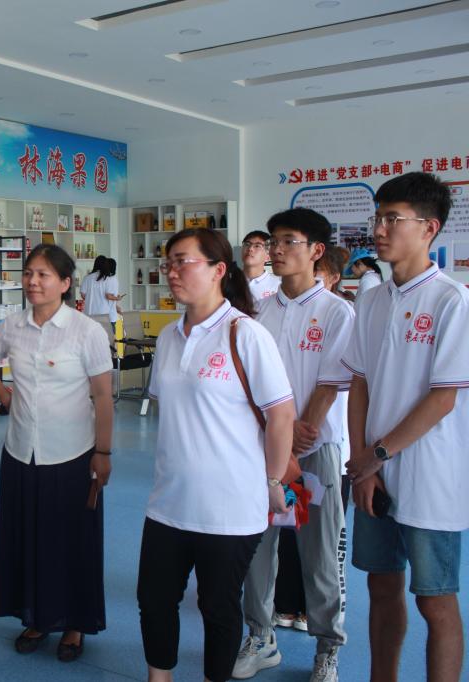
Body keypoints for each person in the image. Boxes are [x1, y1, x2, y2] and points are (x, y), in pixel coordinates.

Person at [137, 228, 294, 682]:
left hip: (229, 508)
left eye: (183, 261)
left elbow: (281, 415)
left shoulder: (246, 334)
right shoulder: (168, 338)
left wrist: (273, 481)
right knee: (154, 599)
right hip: (169, 502)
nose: (172, 272)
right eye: (168, 263)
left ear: (218, 270)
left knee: (218, 606)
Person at [343, 172, 468, 682]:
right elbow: (360, 384)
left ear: (429, 228)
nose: (380, 229)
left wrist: (376, 455)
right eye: (378, 218)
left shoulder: (451, 300)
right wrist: (364, 466)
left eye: (393, 219)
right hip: (375, 471)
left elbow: (443, 398)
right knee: (381, 586)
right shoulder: (371, 300)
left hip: (430, 476)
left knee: (435, 600)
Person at [234, 208, 354, 682]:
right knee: (258, 550)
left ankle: (327, 648)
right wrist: (275, 440)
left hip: (312, 453)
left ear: (316, 250)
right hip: (264, 452)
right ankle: (260, 637)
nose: (277, 250)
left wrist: (301, 433)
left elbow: (330, 383)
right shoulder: (259, 311)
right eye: (273, 242)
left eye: (289, 241)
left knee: (318, 554)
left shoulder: (336, 311)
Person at [0, 244, 113, 663]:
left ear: (64, 282)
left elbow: (103, 397)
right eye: (28, 273)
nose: (33, 282)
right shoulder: (11, 326)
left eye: (43, 275)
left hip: (73, 454)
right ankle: (36, 617)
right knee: (28, 538)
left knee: (72, 541)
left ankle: (74, 623)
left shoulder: (86, 331)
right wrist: (4, 395)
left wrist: (103, 452)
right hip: (21, 452)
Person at [80, 255, 117, 345]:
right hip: (104, 316)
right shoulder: (108, 278)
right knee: (107, 343)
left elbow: (83, 295)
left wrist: (91, 298)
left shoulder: (87, 277)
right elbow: (109, 296)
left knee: (90, 343)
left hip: (89, 315)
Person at [242, 229, 281, 301]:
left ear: (268, 256)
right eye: (247, 244)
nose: (250, 249)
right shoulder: (228, 281)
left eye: (257, 246)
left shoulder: (277, 287)